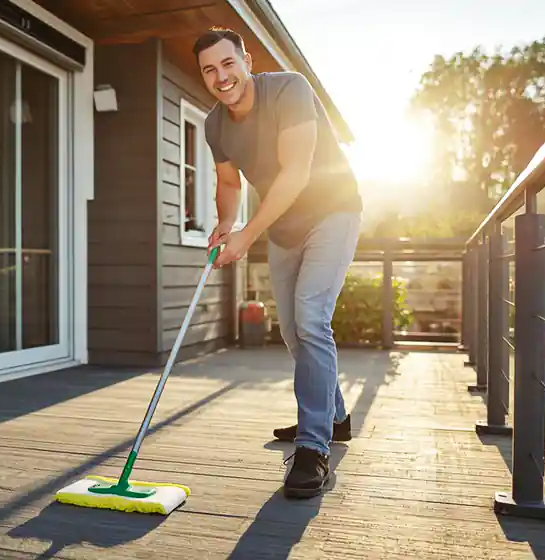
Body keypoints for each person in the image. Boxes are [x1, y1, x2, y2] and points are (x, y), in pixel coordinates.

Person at [194, 27, 363, 499]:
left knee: (310, 317)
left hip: (333, 212)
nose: (221, 77)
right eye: (209, 70)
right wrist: (225, 223)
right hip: (283, 227)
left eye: (228, 63)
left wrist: (247, 235)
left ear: (246, 60)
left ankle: (313, 447)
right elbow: (229, 182)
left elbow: (296, 172)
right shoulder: (215, 125)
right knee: (291, 330)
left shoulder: (289, 89)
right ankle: (333, 416)